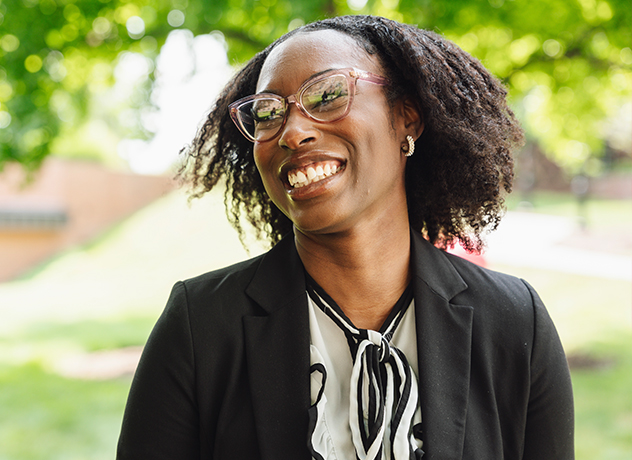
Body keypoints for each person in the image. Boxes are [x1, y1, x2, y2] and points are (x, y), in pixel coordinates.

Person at [117, 15, 574, 460]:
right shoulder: (201, 327)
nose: (293, 132)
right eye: (267, 113)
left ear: (407, 119)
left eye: (328, 95)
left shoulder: (514, 322)